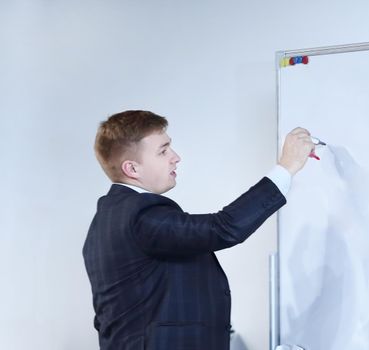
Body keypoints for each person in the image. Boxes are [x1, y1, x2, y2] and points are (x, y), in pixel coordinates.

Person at [82, 110, 315, 350]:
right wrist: (286, 168)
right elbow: (223, 228)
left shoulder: (106, 220)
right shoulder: (139, 214)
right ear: (132, 168)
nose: (175, 157)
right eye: (163, 151)